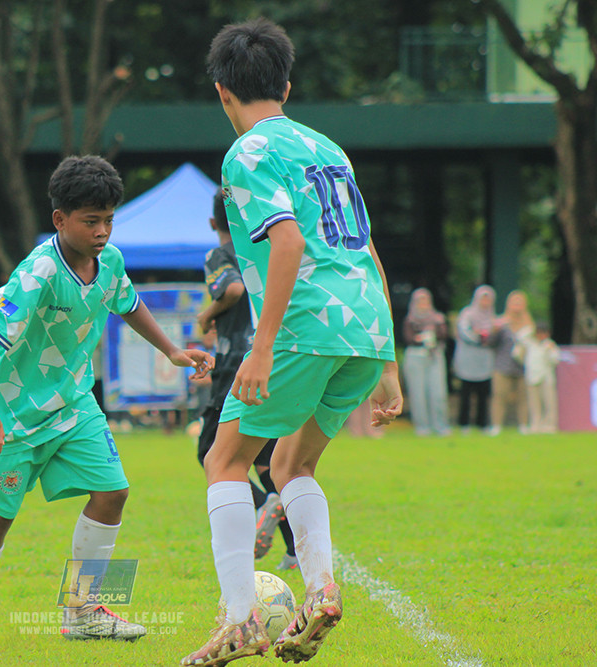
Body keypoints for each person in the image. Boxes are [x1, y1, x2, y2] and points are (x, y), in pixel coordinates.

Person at [183, 20, 402, 665]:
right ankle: (322, 590)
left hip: (305, 330)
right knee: (290, 465)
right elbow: (364, 251)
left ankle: (240, 620)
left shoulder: (246, 153)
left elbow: (288, 242)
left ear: (223, 93)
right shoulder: (328, 147)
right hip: (364, 329)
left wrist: (262, 344)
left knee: (223, 462)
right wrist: (386, 359)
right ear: (286, 83)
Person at [0, 155, 213, 644]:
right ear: (60, 219)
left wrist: (173, 350)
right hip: (12, 416)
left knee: (114, 492)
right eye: (91, 221)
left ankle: (84, 611)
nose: (102, 231)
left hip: (74, 405)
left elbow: (129, 304)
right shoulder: (38, 271)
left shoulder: (110, 261)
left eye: (109, 220)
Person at [196, 188, 296, 571]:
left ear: (211, 223)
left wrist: (207, 315)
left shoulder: (219, 255)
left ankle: (259, 508)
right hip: (271, 359)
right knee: (269, 458)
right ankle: (294, 550)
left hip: (236, 364)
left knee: (211, 452)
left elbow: (232, 289)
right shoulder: (263, 252)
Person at [402, 288, 451, 436]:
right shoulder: (410, 319)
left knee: (438, 392)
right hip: (416, 356)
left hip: (434, 356)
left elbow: (444, 335)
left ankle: (441, 425)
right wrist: (421, 338)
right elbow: (408, 339)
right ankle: (422, 427)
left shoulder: (438, 318)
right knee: (418, 393)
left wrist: (434, 334)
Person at [452, 285, 500, 434]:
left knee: (483, 394)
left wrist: (489, 337)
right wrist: (479, 338)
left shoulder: (493, 317)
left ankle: (482, 424)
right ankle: (464, 424)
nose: (485, 302)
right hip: (467, 359)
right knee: (466, 393)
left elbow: (496, 336)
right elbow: (464, 332)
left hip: (485, 361)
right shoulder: (467, 314)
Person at [489, 290, 533, 435]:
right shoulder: (502, 322)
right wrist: (494, 330)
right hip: (503, 364)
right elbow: (491, 343)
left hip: (523, 366)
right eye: (514, 302)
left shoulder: (529, 324)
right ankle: (496, 425)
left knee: (523, 397)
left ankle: (523, 425)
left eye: (520, 302)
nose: (517, 306)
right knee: (499, 395)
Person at [517, 321, 560, 433]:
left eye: (544, 333)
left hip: (546, 379)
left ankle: (549, 425)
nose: (541, 336)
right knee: (534, 404)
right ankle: (535, 424)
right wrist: (531, 328)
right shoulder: (530, 344)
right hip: (532, 378)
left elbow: (555, 360)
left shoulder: (550, 345)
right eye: (539, 333)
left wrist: (549, 350)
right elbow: (520, 337)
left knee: (549, 403)